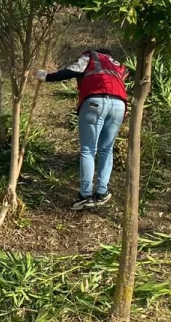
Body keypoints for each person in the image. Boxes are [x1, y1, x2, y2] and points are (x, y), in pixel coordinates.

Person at [36, 49, 129, 211]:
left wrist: (47, 77)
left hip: (95, 102)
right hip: (119, 105)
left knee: (88, 149)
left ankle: (85, 195)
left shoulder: (91, 56)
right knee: (106, 149)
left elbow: (72, 70)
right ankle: (101, 192)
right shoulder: (117, 65)